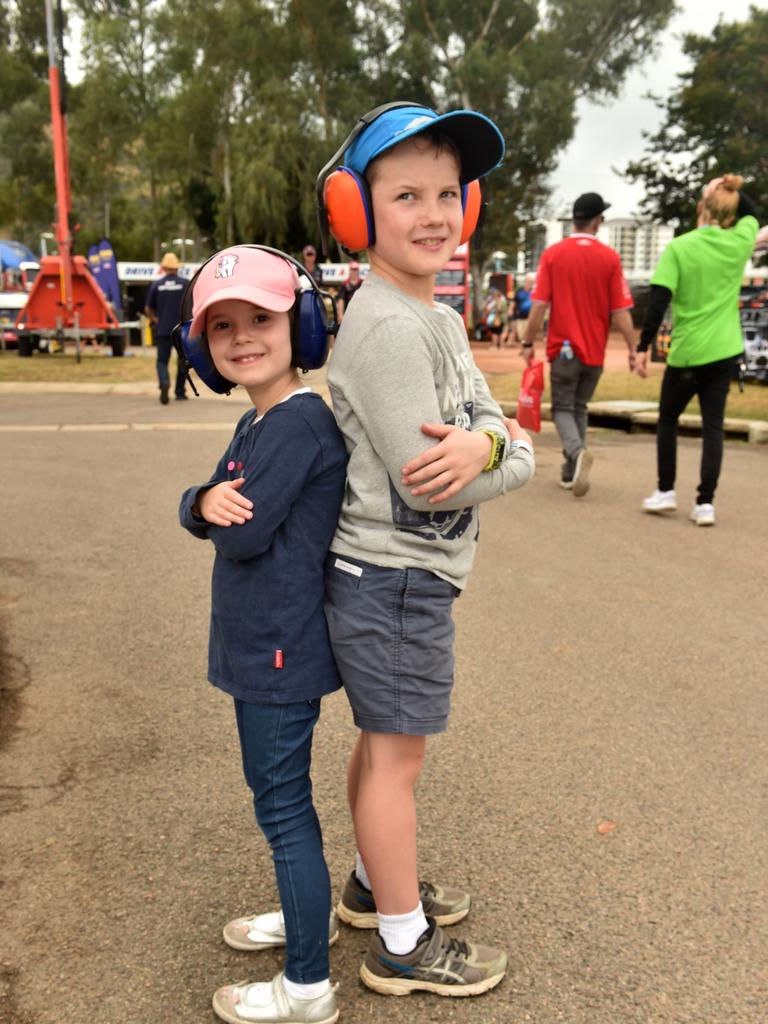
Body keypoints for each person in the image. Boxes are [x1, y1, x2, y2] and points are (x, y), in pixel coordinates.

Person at [318, 103, 535, 997]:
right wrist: (510, 456)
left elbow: (485, 424)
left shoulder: (435, 313)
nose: (435, 213)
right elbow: (424, 479)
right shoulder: (387, 325)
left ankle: (377, 886)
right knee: (398, 758)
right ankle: (402, 945)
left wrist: (489, 443)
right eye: (405, 195)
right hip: (393, 579)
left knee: (385, 745)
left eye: (448, 193)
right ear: (357, 213)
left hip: (402, 579)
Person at [177, 245, 347, 1024]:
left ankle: (307, 984)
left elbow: (239, 535)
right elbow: (210, 500)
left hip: (279, 652)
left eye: (262, 318)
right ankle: (302, 910)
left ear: (301, 325)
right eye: (223, 327)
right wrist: (199, 501)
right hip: (263, 645)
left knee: (282, 811)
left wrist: (213, 509)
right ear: (201, 346)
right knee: (281, 807)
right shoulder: (261, 419)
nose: (243, 337)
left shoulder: (296, 425)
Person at [636, 175, 761, 527]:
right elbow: (752, 210)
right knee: (713, 428)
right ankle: (705, 503)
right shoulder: (740, 240)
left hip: (688, 353)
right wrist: (727, 187)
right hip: (725, 351)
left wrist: (644, 346)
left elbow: (659, 300)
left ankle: (666, 490)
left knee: (667, 420)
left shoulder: (680, 247)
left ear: (701, 208)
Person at [522, 192, 636, 496]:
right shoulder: (610, 257)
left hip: (564, 349)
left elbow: (539, 305)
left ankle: (575, 452)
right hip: (594, 351)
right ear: (598, 221)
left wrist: (527, 340)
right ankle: (571, 470)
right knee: (580, 407)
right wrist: (633, 349)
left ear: (574, 219)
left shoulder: (554, 254)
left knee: (562, 407)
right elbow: (621, 311)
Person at [144, 252, 187, 404]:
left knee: (162, 360)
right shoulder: (185, 284)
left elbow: (148, 308)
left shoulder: (156, 285)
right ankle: (180, 392)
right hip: (181, 330)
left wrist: (154, 320)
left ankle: (164, 382)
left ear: (163, 268)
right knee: (183, 361)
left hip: (162, 329)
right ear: (176, 268)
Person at [513, 273, 534, 344]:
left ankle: (525, 348)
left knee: (527, 334)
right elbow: (514, 302)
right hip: (520, 316)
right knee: (521, 335)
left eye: (531, 282)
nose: (530, 283)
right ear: (525, 282)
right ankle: (524, 346)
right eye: (528, 281)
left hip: (530, 317)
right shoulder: (519, 292)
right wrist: (510, 310)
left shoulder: (533, 292)